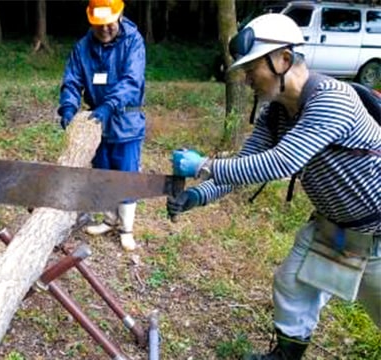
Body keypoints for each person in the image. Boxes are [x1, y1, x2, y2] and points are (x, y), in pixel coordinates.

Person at [167, 13, 380, 360]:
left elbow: (282, 162)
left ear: (283, 59)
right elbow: (245, 168)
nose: (248, 79)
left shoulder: (332, 99)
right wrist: (197, 195)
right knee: (292, 282)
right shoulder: (277, 112)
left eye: (253, 70)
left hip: (377, 231)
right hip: (333, 225)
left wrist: (202, 165)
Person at [58, 0, 146, 251]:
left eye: (109, 24)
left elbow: (132, 80)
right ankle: (109, 219)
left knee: (126, 174)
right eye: (99, 26)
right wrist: (68, 106)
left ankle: (126, 228)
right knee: (102, 170)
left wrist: (109, 106)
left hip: (126, 121)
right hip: (96, 123)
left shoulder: (133, 42)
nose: (105, 30)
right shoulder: (82, 47)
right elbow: (72, 81)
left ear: (119, 17)